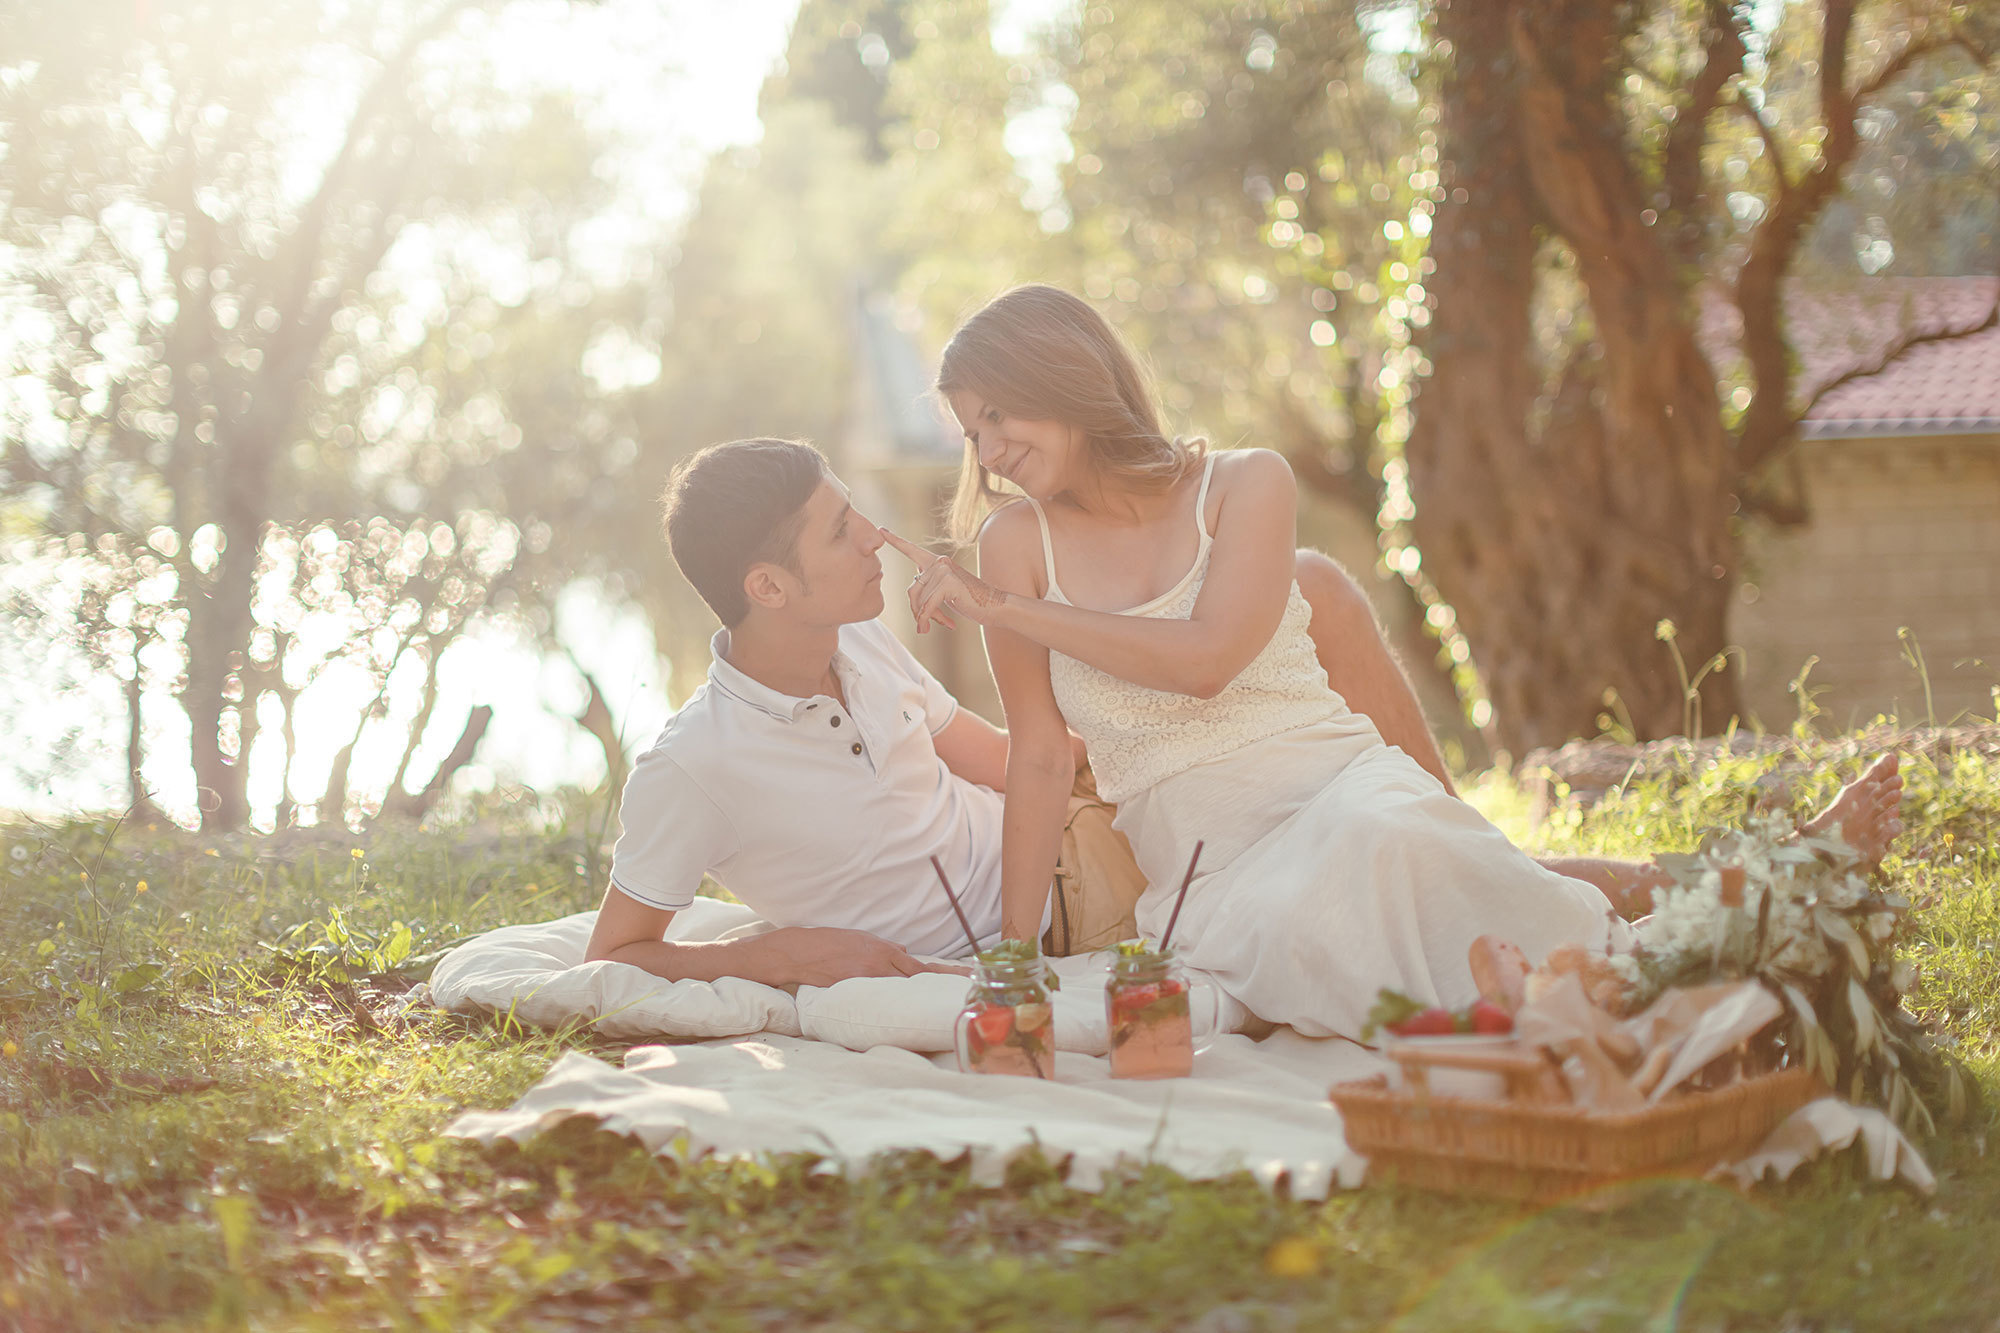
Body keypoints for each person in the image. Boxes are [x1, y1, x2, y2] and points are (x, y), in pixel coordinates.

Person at [885, 283, 1903, 1038]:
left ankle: (1708, 932)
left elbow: (1204, 661)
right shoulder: (1011, 551)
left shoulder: (1243, 484)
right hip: (1219, 877)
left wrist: (1010, 611)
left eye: (997, 417)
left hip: (1341, 790)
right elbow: (1035, 759)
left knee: (1392, 838)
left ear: (1061, 380)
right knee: (1358, 894)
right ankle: (1688, 941)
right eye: (971, 434)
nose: (987, 452)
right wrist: (1010, 954)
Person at [581, 436, 1473, 988]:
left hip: (1077, 833)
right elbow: (613, 958)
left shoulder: (858, 645)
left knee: (1307, 589)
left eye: (857, 514)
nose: (879, 541)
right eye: (841, 531)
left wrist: (1158, 730)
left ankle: (1463, 841)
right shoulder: (693, 766)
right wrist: (765, 957)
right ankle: (1481, 865)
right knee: (1375, 869)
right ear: (768, 587)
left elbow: (1009, 761)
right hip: (1063, 914)